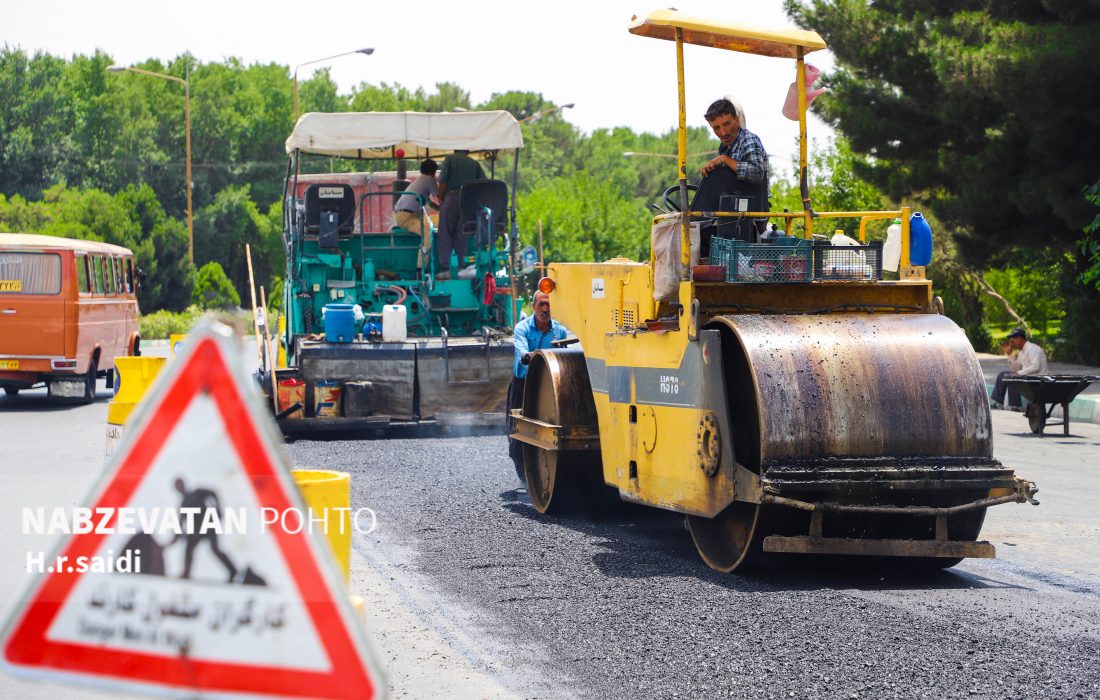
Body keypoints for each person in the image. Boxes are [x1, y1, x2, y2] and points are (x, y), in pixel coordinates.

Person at [507, 290, 569, 480]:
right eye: (541, 304)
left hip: (550, 387)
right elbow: (522, 354)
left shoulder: (560, 331)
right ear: (533, 306)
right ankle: (523, 473)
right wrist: (531, 356)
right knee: (516, 429)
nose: (545, 308)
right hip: (523, 384)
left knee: (552, 429)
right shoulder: (522, 329)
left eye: (548, 304)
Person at [698, 98, 769, 248]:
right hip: (730, 217)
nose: (723, 132)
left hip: (749, 218)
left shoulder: (748, 141)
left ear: (737, 120)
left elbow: (756, 173)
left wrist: (724, 160)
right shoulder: (726, 148)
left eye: (727, 124)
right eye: (716, 127)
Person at [436, 149, 486, 278]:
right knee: (462, 234)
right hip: (468, 200)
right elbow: (483, 183)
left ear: (455, 149)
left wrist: (441, 198)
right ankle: (460, 268)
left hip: (451, 197)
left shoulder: (450, 160)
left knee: (444, 231)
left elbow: (443, 181)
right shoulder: (474, 164)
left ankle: (446, 268)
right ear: (467, 150)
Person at [393, 158, 439, 269]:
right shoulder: (429, 180)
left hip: (401, 215)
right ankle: (420, 270)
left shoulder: (421, 181)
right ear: (434, 172)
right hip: (407, 217)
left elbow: (429, 203)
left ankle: (421, 268)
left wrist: (442, 209)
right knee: (428, 234)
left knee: (428, 229)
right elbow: (440, 196)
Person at [991, 328, 1049, 411]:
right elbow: (1017, 368)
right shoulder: (1022, 352)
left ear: (1020, 339)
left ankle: (1015, 406)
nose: (1012, 343)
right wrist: (1009, 354)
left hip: (1037, 379)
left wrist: (1019, 373)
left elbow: (1036, 366)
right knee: (1002, 375)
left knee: (1013, 378)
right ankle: (999, 403)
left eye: (1013, 340)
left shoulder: (1033, 348)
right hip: (1028, 377)